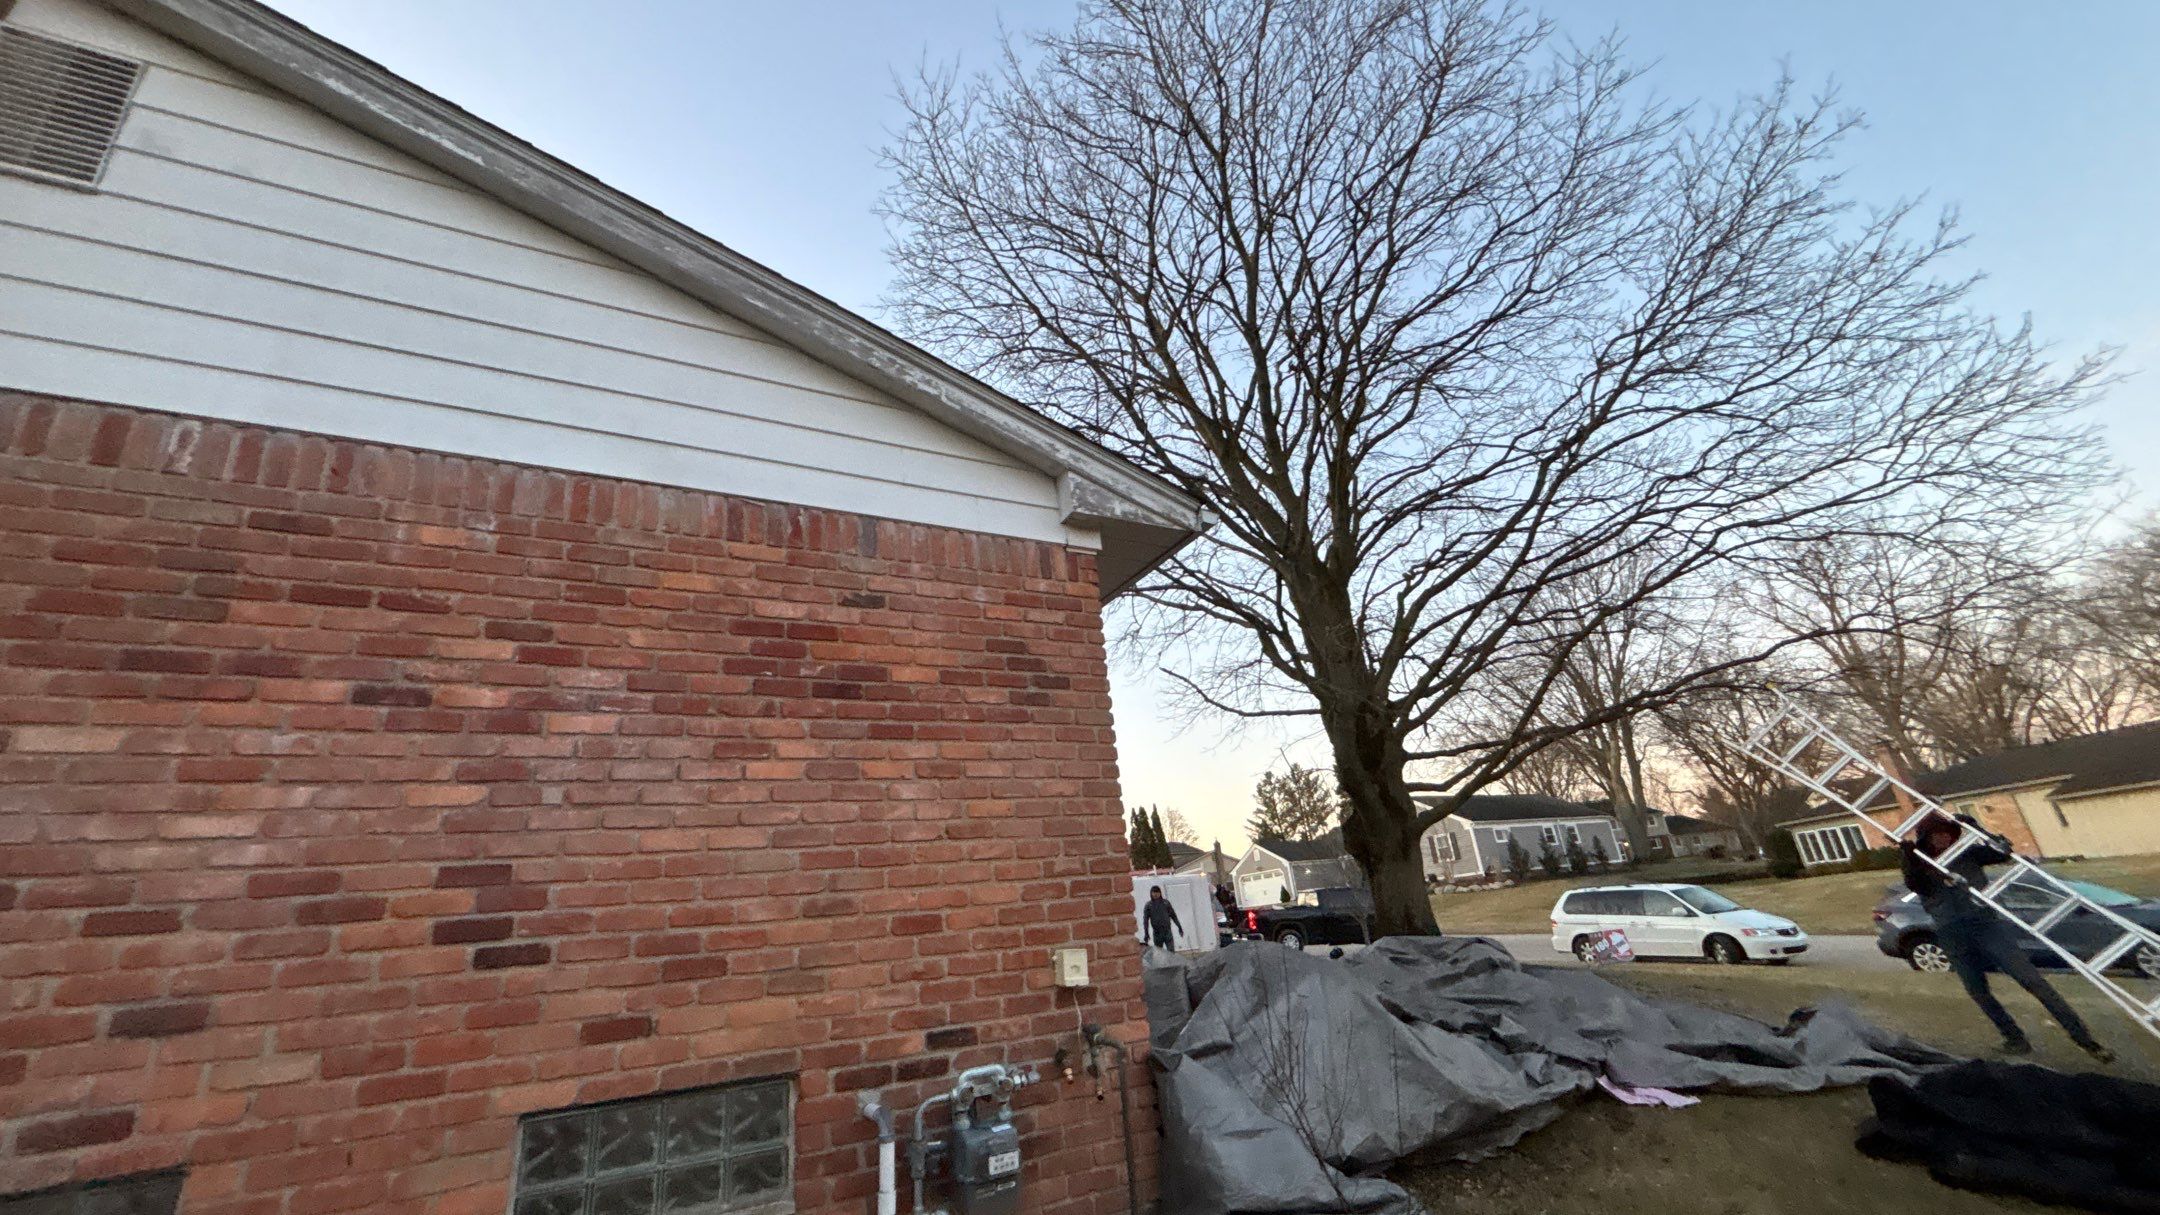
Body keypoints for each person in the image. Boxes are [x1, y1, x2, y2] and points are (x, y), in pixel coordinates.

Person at [1900, 813, 2113, 1062]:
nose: (1943, 839)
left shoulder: (1968, 853)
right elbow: (1915, 884)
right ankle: (2014, 1038)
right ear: (1927, 838)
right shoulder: (1919, 862)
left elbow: (2003, 852)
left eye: (1947, 833)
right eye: (1937, 835)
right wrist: (1908, 855)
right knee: (1978, 991)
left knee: (2033, 981)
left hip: (1986, 925)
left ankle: (2086, 1041)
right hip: (1952, 932)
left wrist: (1977, 828)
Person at [1141, 885, 1183, 952]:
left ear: (1160, 893)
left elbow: (1173, 916)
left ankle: (1171, 962)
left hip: (1167, 932)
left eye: (1157, 892)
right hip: (1157, 933)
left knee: (1171, 952)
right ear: (1151, 893)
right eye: (1154, 892)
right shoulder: (1148, 905)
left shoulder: (1166, 903)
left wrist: (1179, 927)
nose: (1155, 894)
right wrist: (1146, 933)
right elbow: (1145, 921)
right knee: (1159, 953)